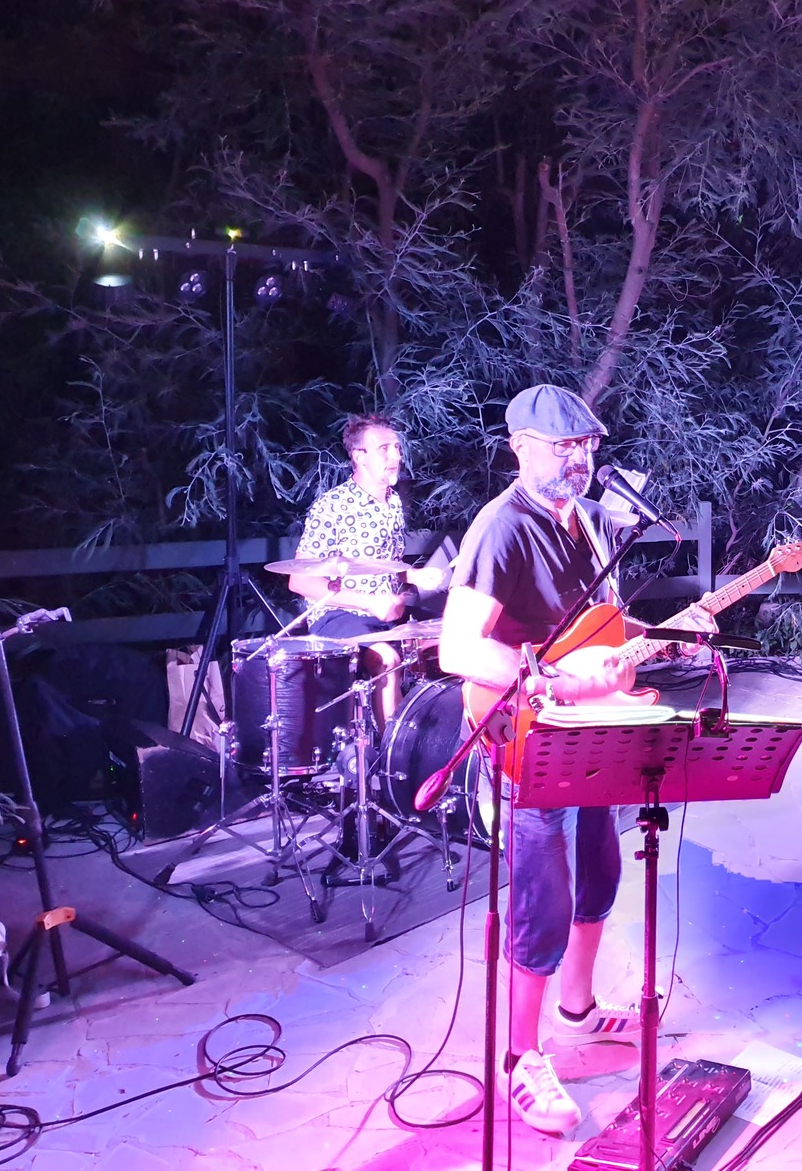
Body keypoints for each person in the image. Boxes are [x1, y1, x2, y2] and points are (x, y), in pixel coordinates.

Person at [437, 383, 711, 1135]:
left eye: (587, 444)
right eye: (564, 445)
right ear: (520, 448)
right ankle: (521, 1056)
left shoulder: (590, 522)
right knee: (544, 897)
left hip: (591, 729)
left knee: (600, 870)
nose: (580, 458)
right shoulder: (502, 527)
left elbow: (597, 634)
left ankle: (578, 1009)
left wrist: (652, 646)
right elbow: (458, 648)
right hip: (527, 731)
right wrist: (555, 681)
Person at [288, 415, 443, 720]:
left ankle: (440, 736)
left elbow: (381, 564)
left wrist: (413, 575)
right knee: (387, 659)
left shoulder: (393, 502)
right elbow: (299, 581)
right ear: (359, 456)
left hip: (387, 614)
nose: (396, 456)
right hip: (339, 614)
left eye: (397, 448)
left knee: (454, 636)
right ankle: (392, 750)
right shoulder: (333, 505)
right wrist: (369, 602)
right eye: (385, 449)